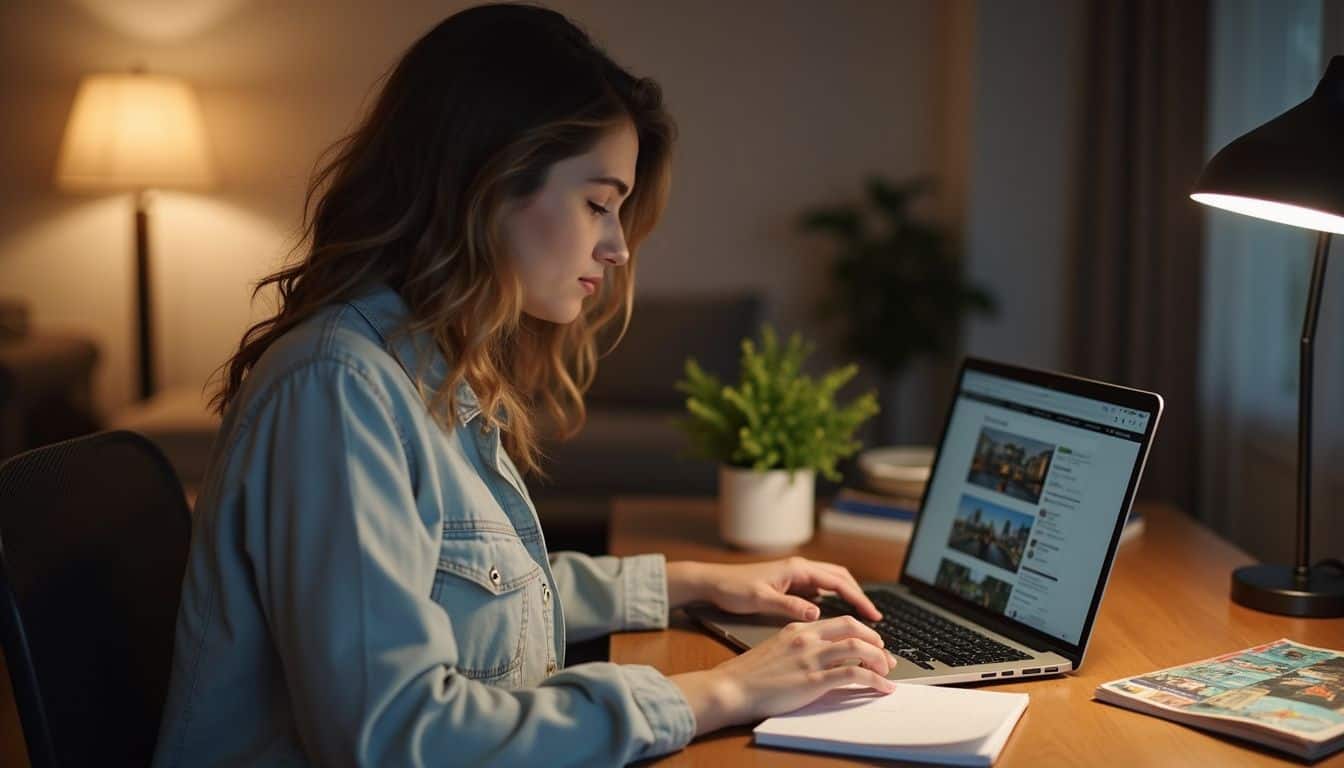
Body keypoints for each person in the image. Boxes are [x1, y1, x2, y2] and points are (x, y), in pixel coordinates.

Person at [152, 4, 896, 766]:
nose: (616, 248)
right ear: (491, 179)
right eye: (598, 203)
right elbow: (395, 734)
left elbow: (477, 597)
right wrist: (724, 691)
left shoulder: (422, 365)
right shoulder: (338, 391)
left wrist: (696, 582)